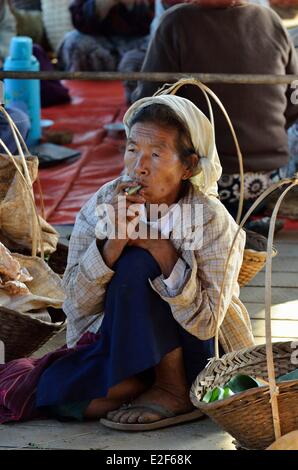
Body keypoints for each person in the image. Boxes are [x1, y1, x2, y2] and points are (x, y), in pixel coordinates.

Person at [0, 89, 254, 430]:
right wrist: (113, 244)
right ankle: (136, 381)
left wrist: (162, 250)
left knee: (139, 262)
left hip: (199, 352)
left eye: (156, 154)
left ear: (188, 166)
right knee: (58, 395)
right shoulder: (105, 202)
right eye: (132, 149)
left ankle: (172, 387)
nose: (139, 167)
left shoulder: (210, 221)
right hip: (121, 344)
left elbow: (206, 323)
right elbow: (74, 304)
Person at [133, 1, 298, 224]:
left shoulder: (174, 22)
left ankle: (222, 221)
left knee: (146, 132)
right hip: (271, 180)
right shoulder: (270, 19)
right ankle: (250, 220)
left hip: (208, 182)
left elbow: (148, 106)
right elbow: (293, 103)